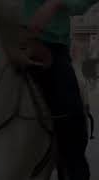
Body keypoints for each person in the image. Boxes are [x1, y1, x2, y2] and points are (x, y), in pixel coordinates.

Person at [23, 0, 98, 179]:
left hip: (47, 45)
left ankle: (73, 170)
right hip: (5, 43)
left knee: (70, 115)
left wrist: (55, 3)